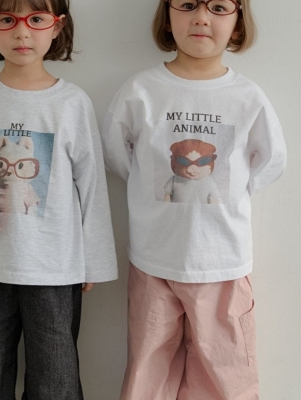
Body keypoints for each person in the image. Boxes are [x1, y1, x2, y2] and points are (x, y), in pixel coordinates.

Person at [101, 0, 286, 399]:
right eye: (187, 5)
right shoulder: (140, 91)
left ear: (238, 23)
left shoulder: (247, 97)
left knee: (226, 377)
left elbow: (271, 161)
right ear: (168, 17)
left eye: (218, 7)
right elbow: (117, 155)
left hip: (222, 261)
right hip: (153, 258)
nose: (201, 17)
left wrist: (223, 196)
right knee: (148, 374)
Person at [0, 0, 118, 399]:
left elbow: (91, 183)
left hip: (56, 269)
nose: (22, 31)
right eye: (7, 19)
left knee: (55, 379)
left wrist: (94, 260)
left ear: (57, 26)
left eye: (36, 19)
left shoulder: (72, 103)